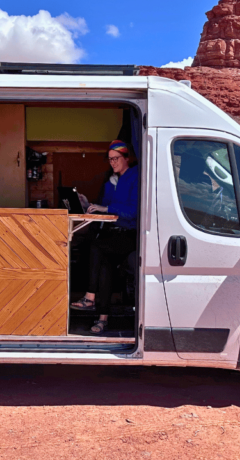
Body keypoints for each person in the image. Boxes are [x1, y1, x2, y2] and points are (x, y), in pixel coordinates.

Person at [70, 139, 138, 334]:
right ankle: (103, 319)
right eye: (110, 160)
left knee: (97, 247)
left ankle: (90, 298)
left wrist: (105, 208)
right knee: (105, 267)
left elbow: (133, 211)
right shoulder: (111, 181)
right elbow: (103, 207)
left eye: (116, 158)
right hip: (113, 234)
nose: (113, 163)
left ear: (127, 158)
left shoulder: (135, 177)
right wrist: (87, 205)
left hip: (130, 234)